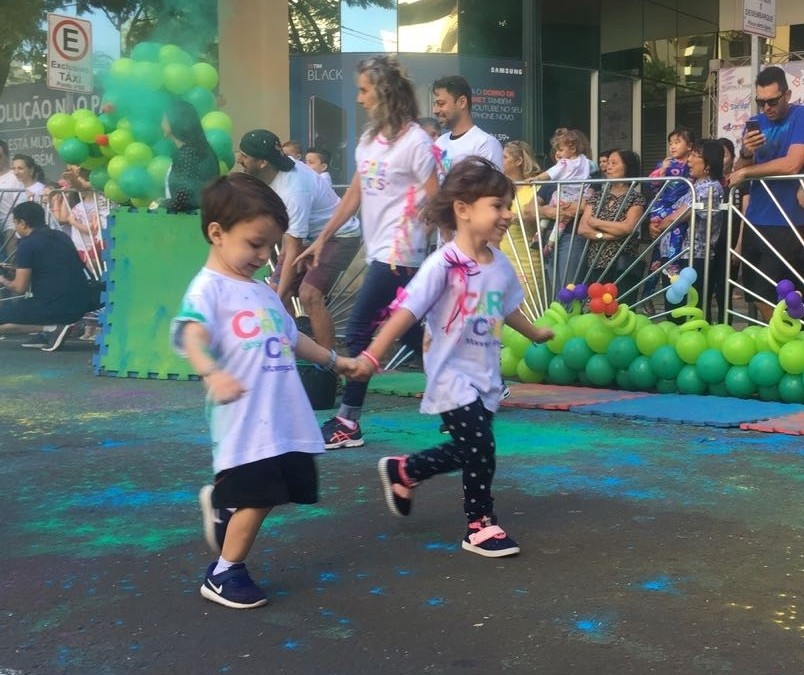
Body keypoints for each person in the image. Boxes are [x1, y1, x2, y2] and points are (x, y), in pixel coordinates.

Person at [170, 172, 359, 610]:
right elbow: (191, 336)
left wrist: (334, 360)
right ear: (217, 233)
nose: (264, 255)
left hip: (282, 414)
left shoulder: (263, 292)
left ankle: (224, 507)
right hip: (243, 418)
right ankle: (223, 573)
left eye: (270, 246)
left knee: (276, 490)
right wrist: (211, 373)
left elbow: (293, 337)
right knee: (260, 495)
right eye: (254, 244)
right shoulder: (209, 288)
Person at [352, 157, 554, 558]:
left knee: (469, 448)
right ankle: (480, 524)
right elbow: (405, 311)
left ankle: (405, 471)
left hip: (485, 376)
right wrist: (372, 357)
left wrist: (533, 333)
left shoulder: (500, 266)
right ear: (463, 209)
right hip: (450, 375)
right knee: (481, 446)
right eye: (497, 205)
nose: (507, 215)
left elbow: (505, 307)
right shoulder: (442, 265)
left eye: (507, 205)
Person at [293, 54, 439, 449]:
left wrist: (427, 230)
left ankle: (348, 421)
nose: (358, 99)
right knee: (409, 334)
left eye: (363, 90)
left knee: (359, 330)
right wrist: (323, 237)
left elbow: (436, 199)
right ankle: (467, 389)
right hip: (380, 252)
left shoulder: (416, 142)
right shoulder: (368, 141)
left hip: (400, 254)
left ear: (385, 92)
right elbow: (354, 196)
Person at [237, 129, 361, 350]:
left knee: (309, 295)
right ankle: (287, 358)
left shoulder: (294, 189)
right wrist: (278, 293)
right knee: (275, 293)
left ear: (263, 162)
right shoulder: (273, 173)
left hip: (339, 236)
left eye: (245, 156)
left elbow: (292, 247)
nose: (240, 160)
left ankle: (328, 367)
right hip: (304, 239)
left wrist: (279, 295)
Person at [729, 65, 804, 321]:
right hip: (756, 218)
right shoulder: (755, 123)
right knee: (755, 291)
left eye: (772, 101)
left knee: (787, 292)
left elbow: (792, 163)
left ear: (787, 94)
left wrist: (748, 171)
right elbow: (738, 172)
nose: (766, 108)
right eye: (761, 102)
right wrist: (746, 154)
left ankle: (790, 340)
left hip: (788, 219)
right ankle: (782, 340)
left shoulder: (800, 116)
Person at [0, 201, 98, 351]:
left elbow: (19, 288)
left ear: (23, 223)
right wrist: (15, 269)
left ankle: (49, 329)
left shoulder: (27, 244)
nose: (15, 228)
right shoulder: (61, 236)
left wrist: (2, 278)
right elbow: (51, 268)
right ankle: (48, 332)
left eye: (15, 223)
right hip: (83, 301)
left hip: (53, 305)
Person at [651, 139, 725, 318]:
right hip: (674, 255)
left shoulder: (711, 188)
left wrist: (662, 224)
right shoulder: (691, 186)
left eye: (695, 156)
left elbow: (676, 218)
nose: (689, 160)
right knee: (673, 309)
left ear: (708, 164)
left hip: (693, 257)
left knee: (691, 310)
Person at [577, 149, 646, 303]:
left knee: (621, 309)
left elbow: (627, 227)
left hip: (623, 262)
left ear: (627, 167)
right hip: (596, 261)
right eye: (608, 163)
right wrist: (607, 235)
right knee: (598, 308)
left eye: (614, 163)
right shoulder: (597, 196)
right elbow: (582, 228)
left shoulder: (636, 198)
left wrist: (596, 223)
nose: (608, 167)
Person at [501, 140, 542, 317]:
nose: (499, 160)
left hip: (527, 260)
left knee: (526, 314)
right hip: (501, 258)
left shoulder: (537, 188)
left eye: (504, 157)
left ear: (518, 161)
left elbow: (540, 225)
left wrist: (521, 218)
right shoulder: (500, 189)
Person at [432, 75, 504, 175]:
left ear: (462, 102)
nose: (435, 110)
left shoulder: (485, 144)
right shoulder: (439, 143)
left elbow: (492, 188)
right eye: (434, 104)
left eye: (441, 104)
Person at [162, 100, 220, 213]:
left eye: (164, 119)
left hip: (187, 224)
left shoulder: (187, 154)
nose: (162, 123)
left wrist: (161, 203)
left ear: (173, 121)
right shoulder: (199, 149)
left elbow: (182, 200)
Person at [0, 139, 24, 260]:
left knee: (12, 262)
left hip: (10, 226)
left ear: (6, 156)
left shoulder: (14, 177)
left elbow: (20, 204)